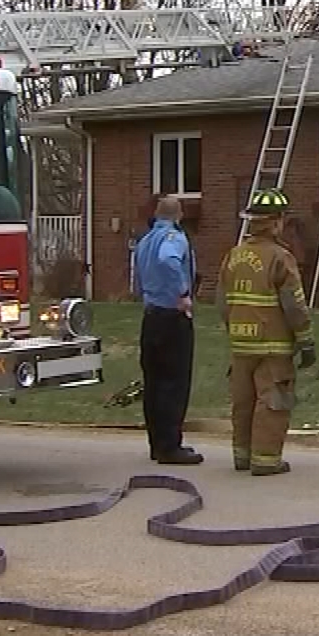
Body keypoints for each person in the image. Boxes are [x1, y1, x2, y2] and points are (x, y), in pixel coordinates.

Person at [220, 188, 317, 476]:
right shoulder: (280, 258)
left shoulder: (233, 256)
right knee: (272, 400)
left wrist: (235, 329)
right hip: (272, 345)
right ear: (276, 222)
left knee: (243, 400)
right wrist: (306, 339)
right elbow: (294, 304)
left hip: (240, 343)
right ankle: (266, 460)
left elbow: (223, 302)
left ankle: (242, 455)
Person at [133, 195, 201, 465]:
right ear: (179, 215)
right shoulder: (173, 238)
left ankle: (157, 443)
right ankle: (171, 446)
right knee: (174, 383)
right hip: (172, 318)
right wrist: (183, 293)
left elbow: (137, 273)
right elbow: (168, 261)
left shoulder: (145, 239)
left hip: (150, 317)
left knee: (154, 383)